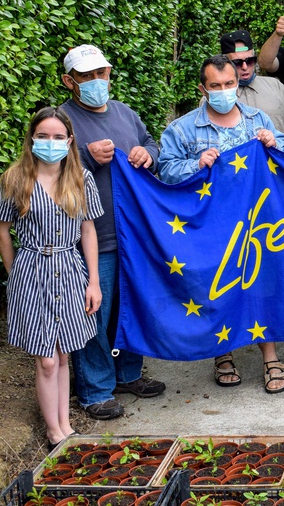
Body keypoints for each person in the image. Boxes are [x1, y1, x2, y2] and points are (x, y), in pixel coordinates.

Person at [158, 54, 284, 394]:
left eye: (229, 84)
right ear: (203, 89)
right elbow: (165, 170)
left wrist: (275, 144)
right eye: (215, 86)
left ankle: (271, 358)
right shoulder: (182, 128)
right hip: (210, 226)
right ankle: (223, 354)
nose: (223, 90)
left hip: (256, 221)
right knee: (218, 285)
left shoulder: (257, 118)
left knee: (261, 284)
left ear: (238, 84)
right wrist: (195, 164)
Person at [60, 45, 165, 420]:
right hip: (89, 238)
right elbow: (48, 167)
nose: (96, 82)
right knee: (94, 314)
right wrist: (84, 157)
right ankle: (95, 390)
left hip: (133, 233)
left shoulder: (124, 112)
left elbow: (153, 143)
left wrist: (146, 154)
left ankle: (129, 374)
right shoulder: (62, 120)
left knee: (129, 306)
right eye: (86, 77)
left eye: (101, 74)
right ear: (69, 81)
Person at [0, 108, 103, 448]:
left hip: (70, 269)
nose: (50, 142)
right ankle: (53, 430)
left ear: (69, 141)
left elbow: (88, 230)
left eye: (58, 137)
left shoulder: (80, 177)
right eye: (43, 136)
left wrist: (93, 281)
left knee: (62, 354)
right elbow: (3, 230)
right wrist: (15, 272)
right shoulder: (15, 178)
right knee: (45, 358)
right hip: (32, 269)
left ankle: (65, 424)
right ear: (31, 139)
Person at [220, 29, 284, 132]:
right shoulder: (216, 96)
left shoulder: (276, 86)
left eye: (250, 61)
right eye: (237, 62)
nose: (245, 67)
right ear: (224, 63)